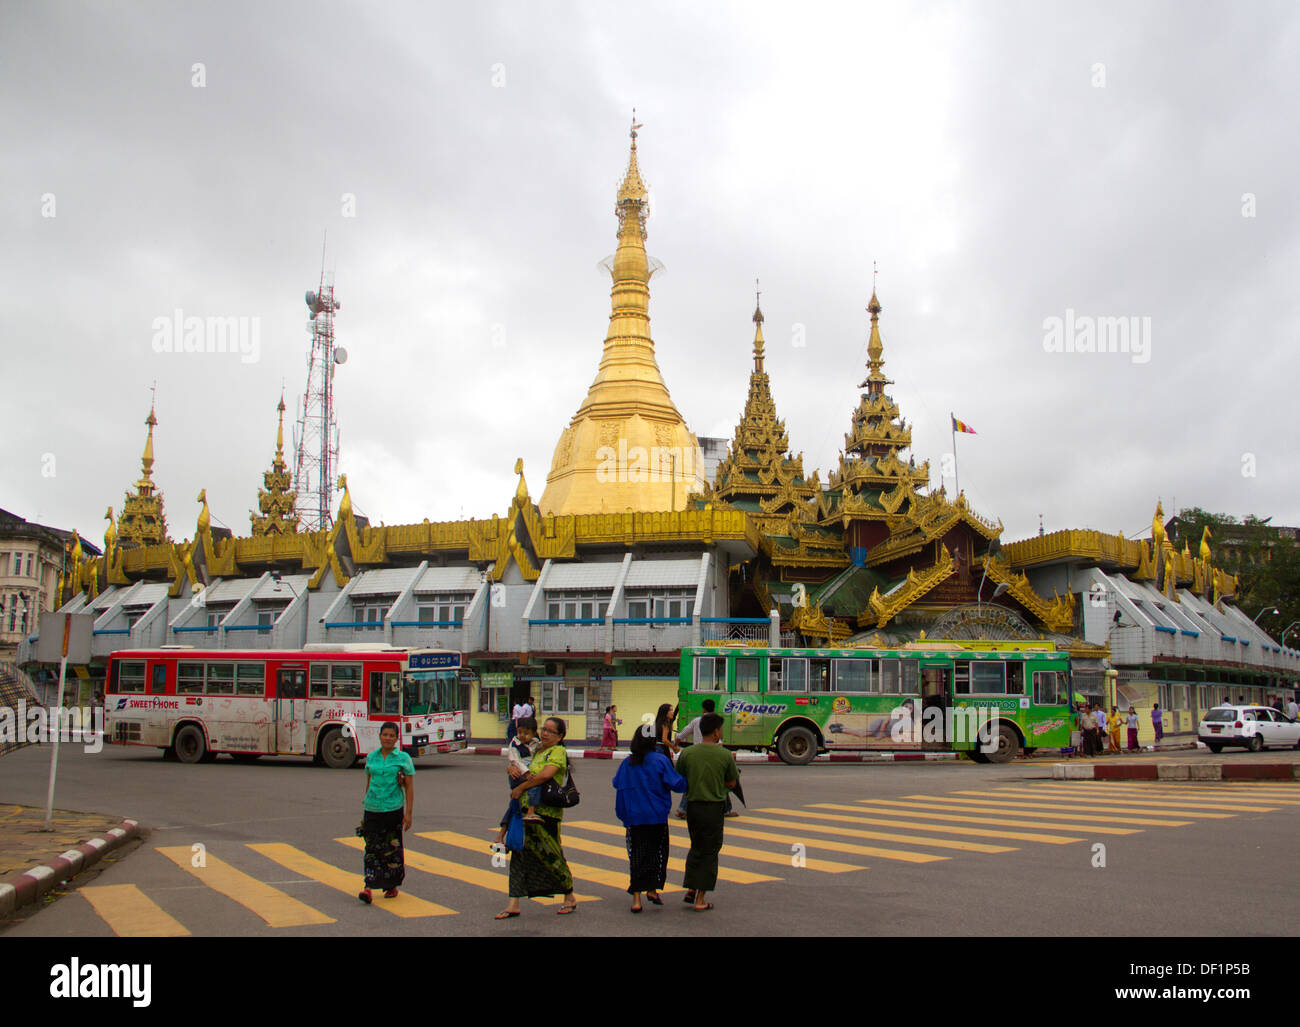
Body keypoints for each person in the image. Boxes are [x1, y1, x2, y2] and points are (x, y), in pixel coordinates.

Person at [495, 717, 577, 919]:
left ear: (560, 736)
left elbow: (544, 775)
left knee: (551, 855)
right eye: (544, 729)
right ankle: (513, 903)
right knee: (519, 856)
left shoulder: (558, 752)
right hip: (524, 811)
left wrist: (522, 787)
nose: (545, 733)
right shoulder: (536, 750)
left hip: (546, 814)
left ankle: (569, 896)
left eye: (551, 731)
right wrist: (511, 769)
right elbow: (522, 768)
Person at [612, 723, 686, 912]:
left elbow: (616, 783)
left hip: (634, 818)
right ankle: (652, 889)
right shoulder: (659, 760)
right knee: (657, 854)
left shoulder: (627, 763)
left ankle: (637, 899)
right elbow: (676, 784)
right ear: (654, 741)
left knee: (636, 856)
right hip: (656, 817)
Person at [676, 713, 739, 912]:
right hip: (713, 807)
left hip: (693, 807)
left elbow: (680, 779)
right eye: (720, 729)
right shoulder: (724, 755)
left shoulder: (688, 753)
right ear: (715, 732)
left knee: (696, 846)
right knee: (710, 851)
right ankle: (700, 898)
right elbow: (731, 782)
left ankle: (692, 888)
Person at [358, 721, 414, 904]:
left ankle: (391, 885)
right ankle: (368, 886)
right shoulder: (371, 758)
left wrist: (408, 814)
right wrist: (365, 803)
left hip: (393, 809)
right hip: (372, 808)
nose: (388, 738)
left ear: (397, 738)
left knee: (392, 848)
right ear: (380, 736)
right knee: (371, 848)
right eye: (385, 735)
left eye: (392, 735)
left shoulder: (403, 758)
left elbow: (409, 787)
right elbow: (368, 781)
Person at [674, 699, 733, 819]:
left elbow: (683, 734)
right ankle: (726, 809)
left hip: (696, 756)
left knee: (692, 781)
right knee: (719, 780)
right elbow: (719, 742)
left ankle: (683, 809)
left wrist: (675, 743)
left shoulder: (696, 721)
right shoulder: (716, 721)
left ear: (703, 709)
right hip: (714, 755)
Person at [493, 716, 538, 848]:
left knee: (514, 804)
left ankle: (501, 835)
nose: (522, 736)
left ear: (534, 733)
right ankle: (530, 811)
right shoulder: (515, 744)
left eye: (526, 733)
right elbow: (515, 761)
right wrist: (526, 773)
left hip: (527, 775)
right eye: (519, 732)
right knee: (518, 800)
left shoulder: (537, 743)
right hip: (518, 776)